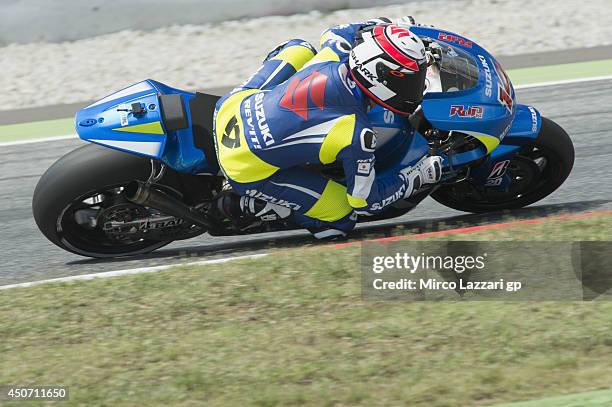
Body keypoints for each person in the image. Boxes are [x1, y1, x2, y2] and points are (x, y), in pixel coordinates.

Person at [213, 17, 442, 239]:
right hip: (242, 162)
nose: (415, 86)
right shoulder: (354, 132)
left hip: (231, 107)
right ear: (380, 77)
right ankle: (257, 205)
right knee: (342, 218)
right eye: (410, 79)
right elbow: (365, 202)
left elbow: (338, 30)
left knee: (299, 47)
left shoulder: (336, 53)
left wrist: (389, 27)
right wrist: (415, 177)